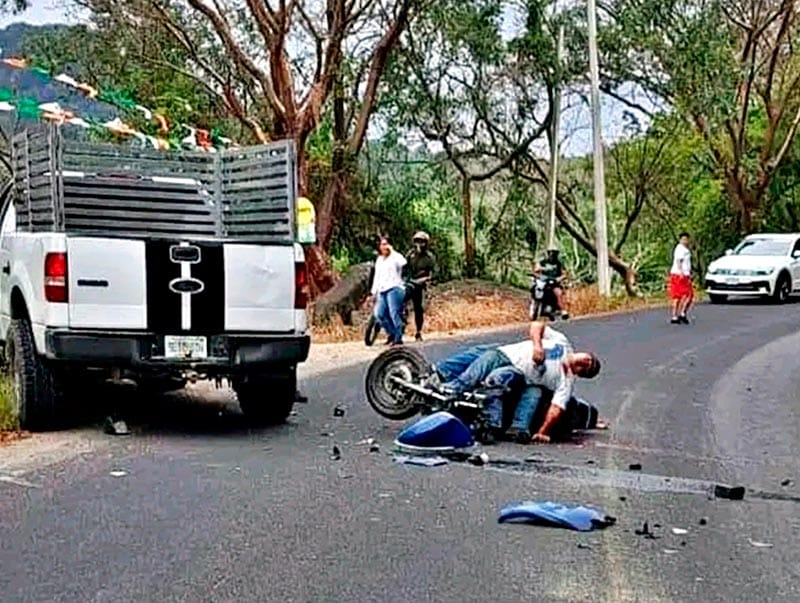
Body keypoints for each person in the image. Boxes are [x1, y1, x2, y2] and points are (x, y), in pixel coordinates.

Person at [426, 321, 601, 443]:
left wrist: (542, 433)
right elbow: (537, 325)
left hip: (517, 374)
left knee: (495, 376)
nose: (585, 363)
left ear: (580, 374)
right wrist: (538, 345)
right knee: (483, 355)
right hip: (506, 354)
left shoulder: (565, 382)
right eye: (588, 359)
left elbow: (556, 409)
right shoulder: (562, 343)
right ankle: (443, 381)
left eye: (586, 368)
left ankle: (487, 422)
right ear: (583, 352)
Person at [371, 235, 407, 345]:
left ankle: (398, 337)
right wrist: (374, 292)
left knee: (394, 313)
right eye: (382, 244)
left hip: (394, 288)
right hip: (382, 289)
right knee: (379, 314)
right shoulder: (379, 260)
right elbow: (377, 276)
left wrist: (393, 251)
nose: (384, 247)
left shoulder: (395, 258)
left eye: (386, 244)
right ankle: (392, 333)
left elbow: (403, 262)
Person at [404, 231, 437, 341]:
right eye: (417, 241)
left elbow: (433, 273)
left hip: (420, 284)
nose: (419, 244)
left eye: (422, 242)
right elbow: (405, 268)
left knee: (418, 308)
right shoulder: (411, 254)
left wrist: (425, 280)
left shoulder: (430, 257)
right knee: (400, 303)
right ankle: (398, 329)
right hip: (409, 282)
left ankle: (418, 332)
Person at [534, 246, 569, 319]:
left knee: (558, 293)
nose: (552, 254)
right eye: (550, 252)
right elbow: (536, 270)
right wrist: (539, 272)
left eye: (554, 253)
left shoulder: (559, 264)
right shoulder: (543, 262)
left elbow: (565, 273)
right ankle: (535, 307)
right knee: (535, 289)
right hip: (543, 282)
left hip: (554, 282)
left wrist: (559, 278)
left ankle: (563, 310)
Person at [669, 232, 693, 324]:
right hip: (679, 275)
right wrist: (681, 273)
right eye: (683, 239)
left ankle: (682, 313)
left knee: (688, 295)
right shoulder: (680, 249)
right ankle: (675, 316)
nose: (685, 241)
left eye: (686, 239)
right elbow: (679, 261)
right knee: (678, 296)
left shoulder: (685, 249)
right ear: (680, 240)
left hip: (684, 275)